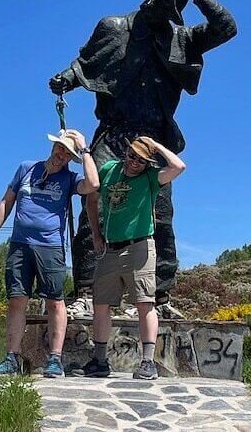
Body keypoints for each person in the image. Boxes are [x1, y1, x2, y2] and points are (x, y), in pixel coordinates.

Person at [50, 0, 236, 319]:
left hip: (153, 139)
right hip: (114, 132)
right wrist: (66, 79)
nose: (167, 16)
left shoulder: (182, 38)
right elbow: (86, 63)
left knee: (160, 215)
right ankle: (88, 292)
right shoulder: (114, 27)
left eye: (173, 11)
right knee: (97, 205)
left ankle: (159, 296)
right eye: (164, 6)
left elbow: (226, 27)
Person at [0, 129, 99, 377]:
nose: (62, 154)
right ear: (53, 146)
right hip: (20, 244)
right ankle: (11, 357)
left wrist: (84, 149)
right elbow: (6, 202)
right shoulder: (26, 168)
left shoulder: (70, 178)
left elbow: (93, 184)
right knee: (16, 300)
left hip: (51, 247)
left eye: (68, 152)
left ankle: (55, 360)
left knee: (55, 302)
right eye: (60, 148)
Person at [73, 135, 185, 380]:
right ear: (126, 152)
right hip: (110, 247)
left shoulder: (150, 178)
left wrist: (157, 146)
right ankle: (100, 360)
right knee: (101, 304)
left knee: (145, 302)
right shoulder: (108, 170)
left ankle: (147, 362)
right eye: (132, 156)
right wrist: (95, 232)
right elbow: (91, 199)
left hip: (139, 246)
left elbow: (179, 166)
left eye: (142, 160)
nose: (135, 162)